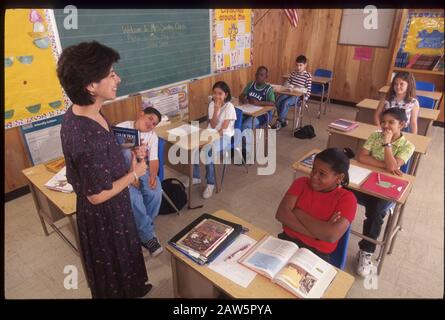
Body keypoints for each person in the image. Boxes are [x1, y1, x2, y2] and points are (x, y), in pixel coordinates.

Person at [58, 41, 151, 298]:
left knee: (127, 254)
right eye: (111, 74)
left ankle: (135, 287)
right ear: (90, 85)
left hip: (117, 205)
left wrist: (131, 149)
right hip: (104, 216)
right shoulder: (83, 136)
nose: (117, 79)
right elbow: (96, 195)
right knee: (114, 264)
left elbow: (107, 140)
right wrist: (134, 174)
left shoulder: (87, 111)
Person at [354, 107, 415, 277]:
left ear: (402, 124)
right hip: (364, 179)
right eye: (383, 122)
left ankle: (366, 251)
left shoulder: (407, 146)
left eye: (391, 122)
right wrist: (389, 165)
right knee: (338, 189)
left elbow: (393, 166)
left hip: (384, 188)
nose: (385, 126)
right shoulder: (375, 136)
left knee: (376, 212)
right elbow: (362, 157)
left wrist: (388, 144)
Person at [275, 148, 357, 262]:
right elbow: (281, 214)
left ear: (339, 178)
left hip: (317, 253)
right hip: (287, 240)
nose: (314, 176)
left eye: (322, 174)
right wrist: (318, 234)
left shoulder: (347, 199)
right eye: (313, 170)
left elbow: (330, 236)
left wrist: (297, 212)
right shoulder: (301, 183)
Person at [116, 107, 164, 257]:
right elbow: (113, 154)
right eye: (150, 119)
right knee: (133, 197)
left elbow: (154, 160)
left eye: (154, 123)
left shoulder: (152, 136)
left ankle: (143, 229)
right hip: (121, 171)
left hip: (141, 168)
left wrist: (152, 176)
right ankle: (148, 236)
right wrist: (132, 176)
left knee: (155, 191)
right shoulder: (122, 128)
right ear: (141, 114)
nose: (151, 125)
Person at [189, 81, 237, 199]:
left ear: (226, 94)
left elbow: (223, 128)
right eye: (214, 93)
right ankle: (196, 176)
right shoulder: (212, 104)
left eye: (220, 93)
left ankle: (211, 183)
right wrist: (216, 109)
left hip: (224, 136)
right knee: (192, 146)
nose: (217, 96)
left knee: (207, 152)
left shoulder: (229, 107)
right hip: (211, 132)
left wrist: (210, 140)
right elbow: (213, 124)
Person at [239, 66, 276, 160]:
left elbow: (272, 103)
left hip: (262, 115)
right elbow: (241, 95)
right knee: (236, 122)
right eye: (257, 74)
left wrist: (258, 103)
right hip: (248, 111)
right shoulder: (251, 84)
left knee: (245, 126)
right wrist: (243, 99)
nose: (258, 76)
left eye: (261, 75)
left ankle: (247, 151)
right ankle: (238, 147)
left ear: (266, 77)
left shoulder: (268, 89)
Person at [272, 55, 312, 130]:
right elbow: (287, 82)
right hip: (289, 93)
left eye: (301, 65)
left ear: (305, 65)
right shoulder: (293, 73)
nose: (298, 67)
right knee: (278, 101)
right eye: (297, 65)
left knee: (285, 103)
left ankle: (279, 121)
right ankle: (283, 120)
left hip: (298, 97)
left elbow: (309, 90)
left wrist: (305, 100)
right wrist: (288, 86)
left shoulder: (307, 76)